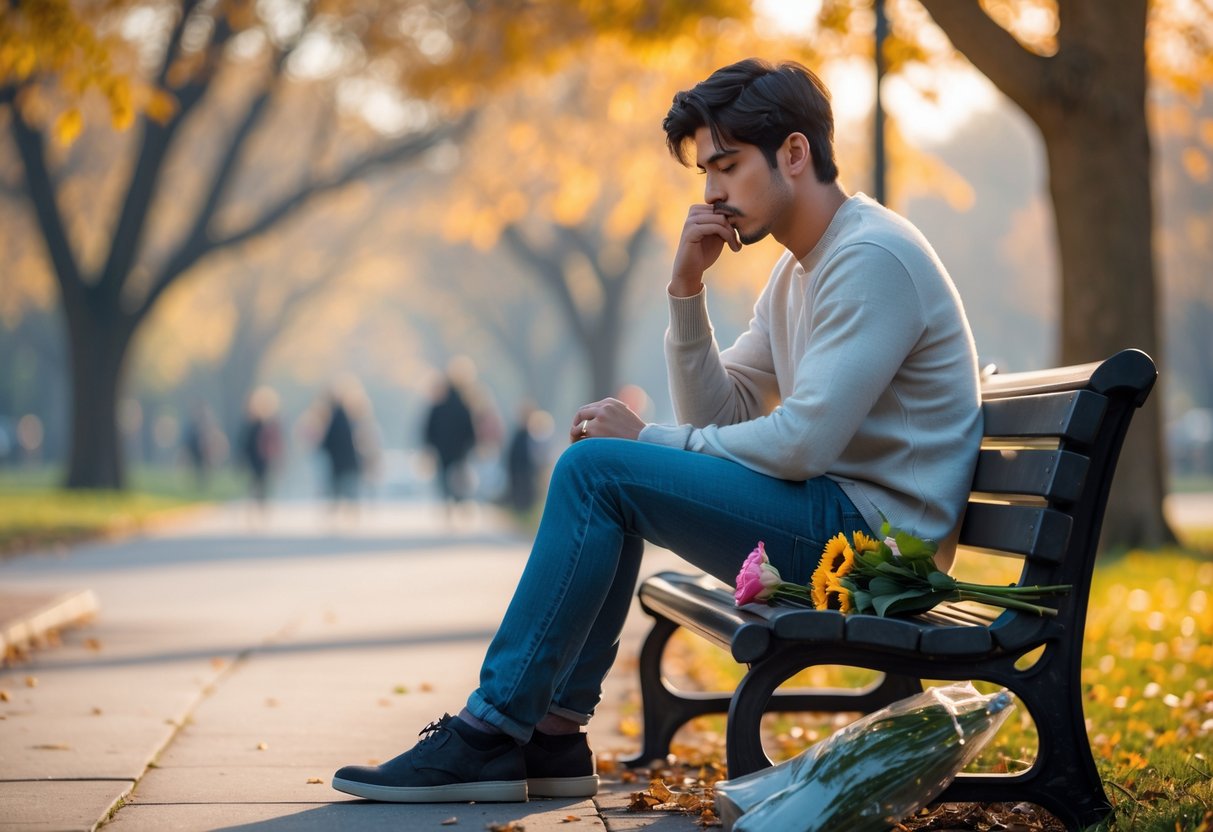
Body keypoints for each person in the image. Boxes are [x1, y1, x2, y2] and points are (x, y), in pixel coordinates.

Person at [332, 58, 982, 804]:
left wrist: (647, 444)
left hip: (872, 551)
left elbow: (801, 443)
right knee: (605, 472)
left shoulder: (869, 257)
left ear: (795, 154)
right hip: (840, 525)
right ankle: (549, 735)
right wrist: (685, 290)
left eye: (727, 166)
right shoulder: (797, 272)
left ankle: (490, 733)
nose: (710, 192)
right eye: (705, 171)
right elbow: (725, 413)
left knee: (600, 470)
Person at [422, 372, 478, 508]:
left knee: (444, 475)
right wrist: (470, 445)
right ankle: (459, 498)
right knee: (458, 476)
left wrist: (430, 445)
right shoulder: (464, 407)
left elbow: (428, 429)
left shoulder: (438, 407)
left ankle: (448, 499)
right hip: (460, 451)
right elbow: (470, 430)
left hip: (442, 450)